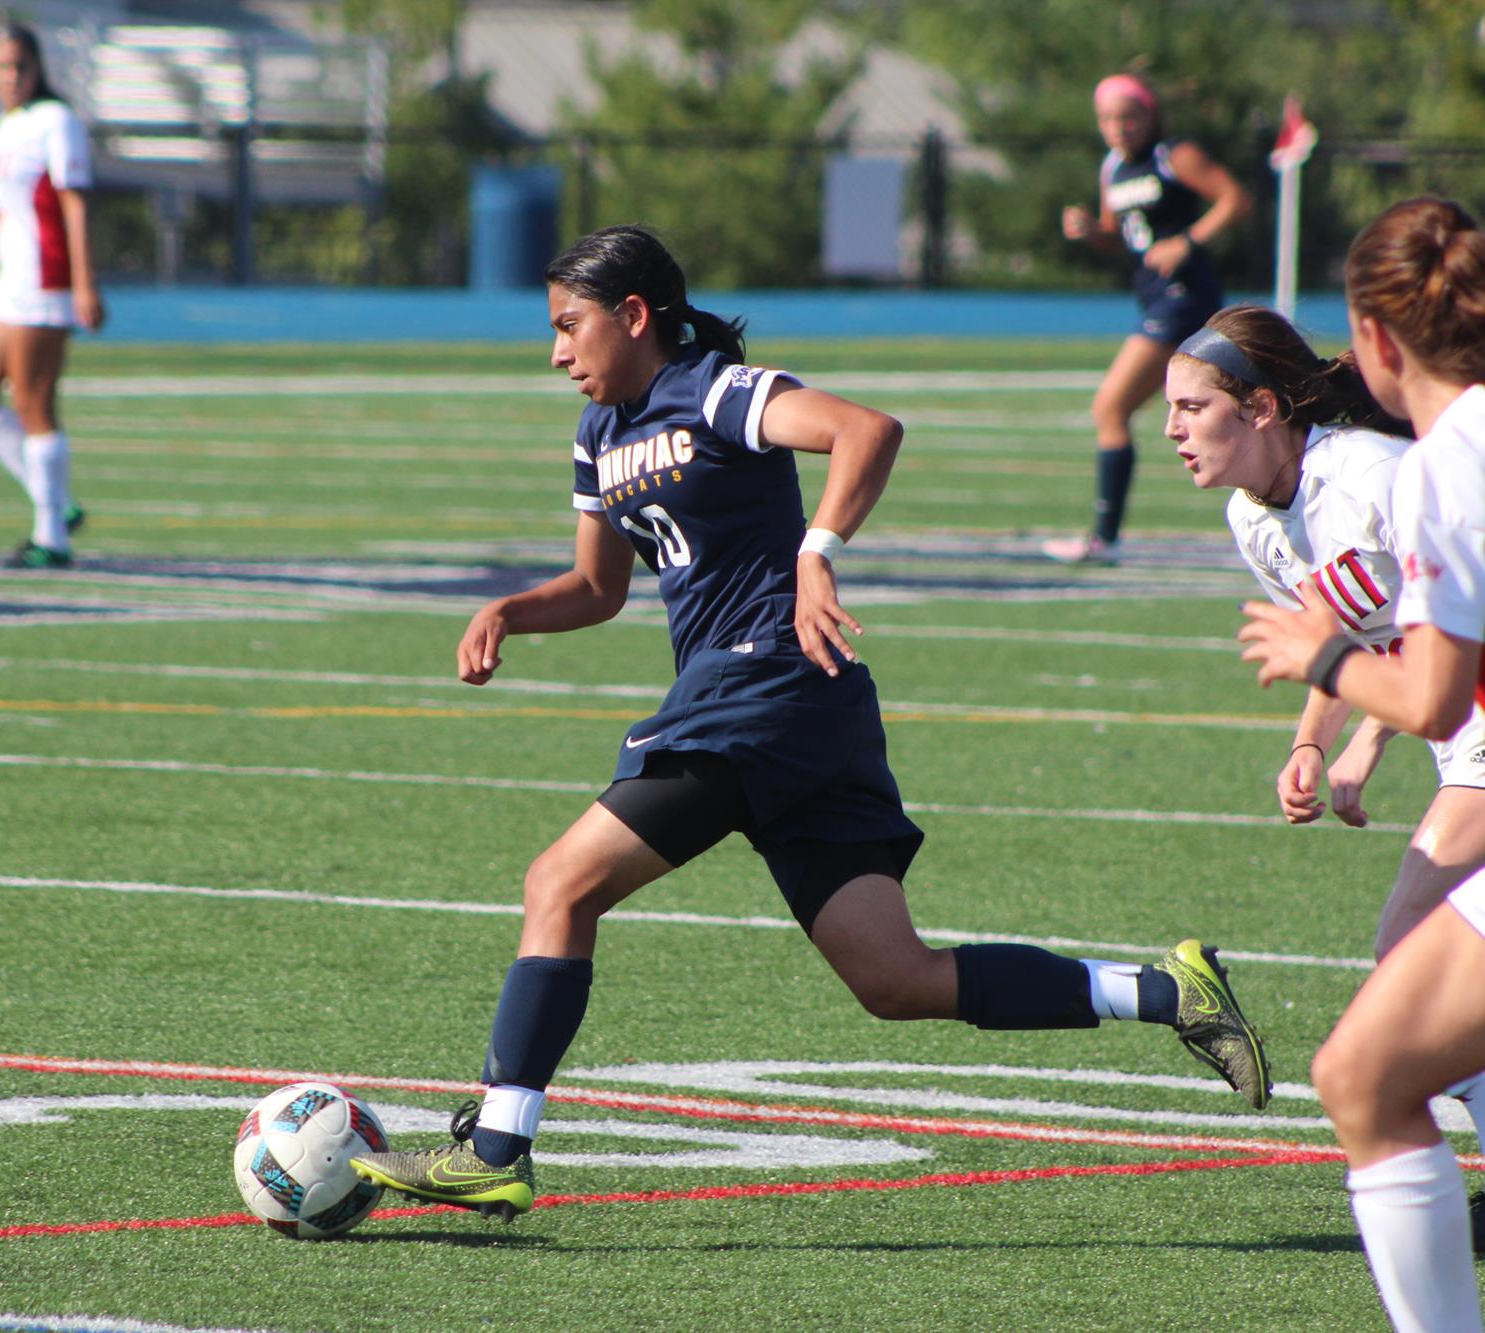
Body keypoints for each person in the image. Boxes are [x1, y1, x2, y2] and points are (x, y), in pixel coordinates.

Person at [349, 224, 1272, 1223]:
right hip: (801, 712)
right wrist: (506, 612)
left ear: (632, 315)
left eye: (570, 327)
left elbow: (867, 429)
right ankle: (1167, 992)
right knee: (893, 977)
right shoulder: (598, 437)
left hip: (762, 691)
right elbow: (596, 585)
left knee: (556, 883)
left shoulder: (714, 389)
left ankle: (496, 1146)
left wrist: (816, 549)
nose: (557, 352)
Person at [1239, 197, 1485, 1332]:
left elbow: (1429, 690)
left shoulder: (1429, 469)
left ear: (1377, 342)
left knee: (1360, 1075)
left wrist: (1322, 659)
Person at [1046, 73, 1250, 567]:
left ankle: (1105, 539)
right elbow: (1119, 237)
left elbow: (1235, 199)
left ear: (1150, 116)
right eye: (1109, 119)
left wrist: (1188, 241)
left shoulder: (1173, 155)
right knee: (1241, 401)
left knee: (1110, 408)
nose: (1119, 127)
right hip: (1155, 298)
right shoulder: (1112, 167)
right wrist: (1090, 232)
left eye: (1129, 117)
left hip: (1183, 298)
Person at [0, 21, 103, 569]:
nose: (12, 76)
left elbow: (74, 204)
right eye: (2, 67)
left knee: (34, 404)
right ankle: (58, 503)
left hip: (45, 279)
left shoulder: (55, 121)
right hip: (8, 280)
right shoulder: (7, 124)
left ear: (38, 69)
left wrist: (85, 282)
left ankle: (51, 538)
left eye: (22, 66)